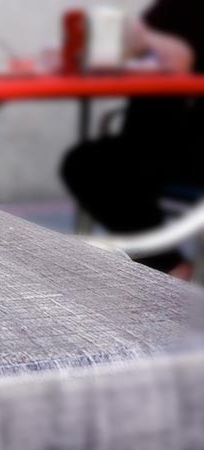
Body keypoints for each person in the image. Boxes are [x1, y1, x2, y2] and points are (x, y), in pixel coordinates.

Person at [62, 0, 204, 279]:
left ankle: (167, 265)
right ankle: (165, 262)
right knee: (88, 163)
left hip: (187, 149)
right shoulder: (166, 11)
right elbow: (134, 50)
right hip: (150, 142)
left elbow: (180, 59)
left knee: (92, 166)